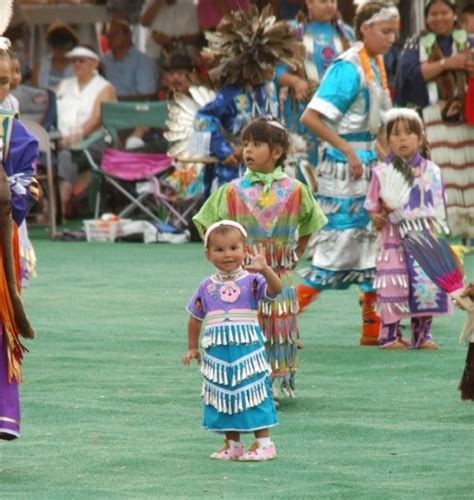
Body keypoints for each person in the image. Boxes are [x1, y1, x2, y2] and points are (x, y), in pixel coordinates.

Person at [193, 116, 327, 398]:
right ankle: (252, 383)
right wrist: (225, 251)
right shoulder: (232, 190)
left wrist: (299, 250)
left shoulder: (295, 189)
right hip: (242, 275)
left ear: (276, 152)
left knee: (275, 328)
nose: (247, 151)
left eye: (256, 144)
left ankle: (266, 383)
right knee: (248, 327)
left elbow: (312, 220)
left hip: (277, 271)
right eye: (245, 144)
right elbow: (205, 220)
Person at [296, 1, 399, 346]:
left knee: (374, 248)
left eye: (395, 32)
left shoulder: (375, 64)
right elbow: (310, 118)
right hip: (344, 170)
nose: (391, 39)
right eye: (386, 31)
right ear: (365, 29)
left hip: (367, 164)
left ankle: (374, 331)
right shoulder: (348, 67)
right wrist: (348, 148)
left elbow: (375, 129)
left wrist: (390, 165)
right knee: (336, 250)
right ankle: (278, 319)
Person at [183, 220, 281, 461]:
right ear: (208, 254)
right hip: (218, 353)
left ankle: (264, 444)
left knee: (253, 391)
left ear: (244, 249)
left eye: (234, 248)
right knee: (223, 393)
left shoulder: (253, 280)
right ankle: (233, 444)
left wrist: (266, 270)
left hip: (247, 351)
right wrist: (193, 347)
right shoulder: (206, 287)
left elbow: (277, 289)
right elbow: (195, 319)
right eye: (219, 249)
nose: (227, 255)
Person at [190, 5, 303, 198]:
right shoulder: (231, 94)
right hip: (234, 172)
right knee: (234, 221)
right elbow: (203, 118)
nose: (273, 70)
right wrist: (224, 150)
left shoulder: (268, 88)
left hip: (266, 169)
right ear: (253, 64)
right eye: (268, 64)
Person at [364, 108, 451, 349]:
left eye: (409, 133)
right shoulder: (381, 172)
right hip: (392, 237)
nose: (403, 138)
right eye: (396, 133)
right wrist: (377, 218)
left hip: (423, 235)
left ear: (420, 138)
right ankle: (390, 334)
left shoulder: (433, 171)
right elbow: (372, 206)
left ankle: (423, 334)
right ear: (388, 140)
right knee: (393, 282)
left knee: (425, 284)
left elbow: (438, 206)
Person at [395, 0, 474, 241]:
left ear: (454, 15)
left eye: (444, 12)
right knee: (440, 171)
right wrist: (446, 64)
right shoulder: (416, 43)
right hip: (434, 117)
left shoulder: (469, 41)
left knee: (469, 170)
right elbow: (408, 76)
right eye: (434, 14)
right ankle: (445, 225)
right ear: (427, 18)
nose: (439, 18)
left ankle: (469, 224)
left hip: (465, 118)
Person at [0, 39, 39, 441]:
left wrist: (12, 196)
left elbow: (22, 191)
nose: (0, 89)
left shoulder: (17, 134)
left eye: (4, 81)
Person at [275, 0, 353, 177]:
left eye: (333, 1)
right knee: (304, 169)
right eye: (323, 1)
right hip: (303, 110)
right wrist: (295, 81)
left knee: (337, 168)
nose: (330, 5)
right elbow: (276, 72)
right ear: (309, 3)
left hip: (339, 112)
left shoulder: (346, 33)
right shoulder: (293, 32)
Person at [55, 46, 117, 218]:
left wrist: (73, 139)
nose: (76, 63)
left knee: (67, 155)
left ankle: (58, 209)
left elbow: (96, 120)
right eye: (74, 60)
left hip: (93, 142)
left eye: (81, 60)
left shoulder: (104, 87)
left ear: (94, 63)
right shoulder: (63, 85)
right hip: (60, 140)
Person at [101, 19, 158, 99]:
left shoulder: (143, 61)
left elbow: (145, 95)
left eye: (114, 34)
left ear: (128, 36)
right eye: (108, 35)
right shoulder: (103, 61)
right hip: (106, 107)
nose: (110, 38)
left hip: (132, 108)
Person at [139, 0, 201, 64]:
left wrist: (173, 40)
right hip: (154, 56)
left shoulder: (188, 4)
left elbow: (194, 37)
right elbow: (143, 22)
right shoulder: (151, 2)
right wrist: (158, 2)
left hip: (182, 60)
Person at [31, 21, 79, 90]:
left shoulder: (78, 67)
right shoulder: (40, 65)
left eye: (63, 49)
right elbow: (33, 90)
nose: (60, 52)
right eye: (57, 48)